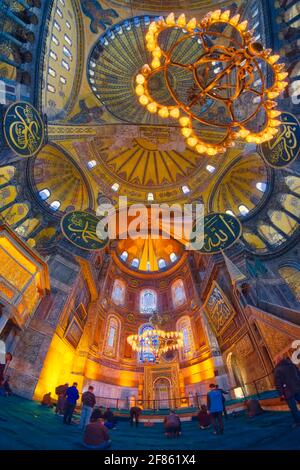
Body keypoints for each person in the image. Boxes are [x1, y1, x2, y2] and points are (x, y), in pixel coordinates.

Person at [274, 356, 300, 427]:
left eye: (275, 362)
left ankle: (298, 421)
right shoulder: (292, 365)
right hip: (297, 388)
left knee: (293, 408)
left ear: (277, 361)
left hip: (288, 392)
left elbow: (278, 384)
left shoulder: (277, 370)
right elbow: (298, 374)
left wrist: (281, 394)